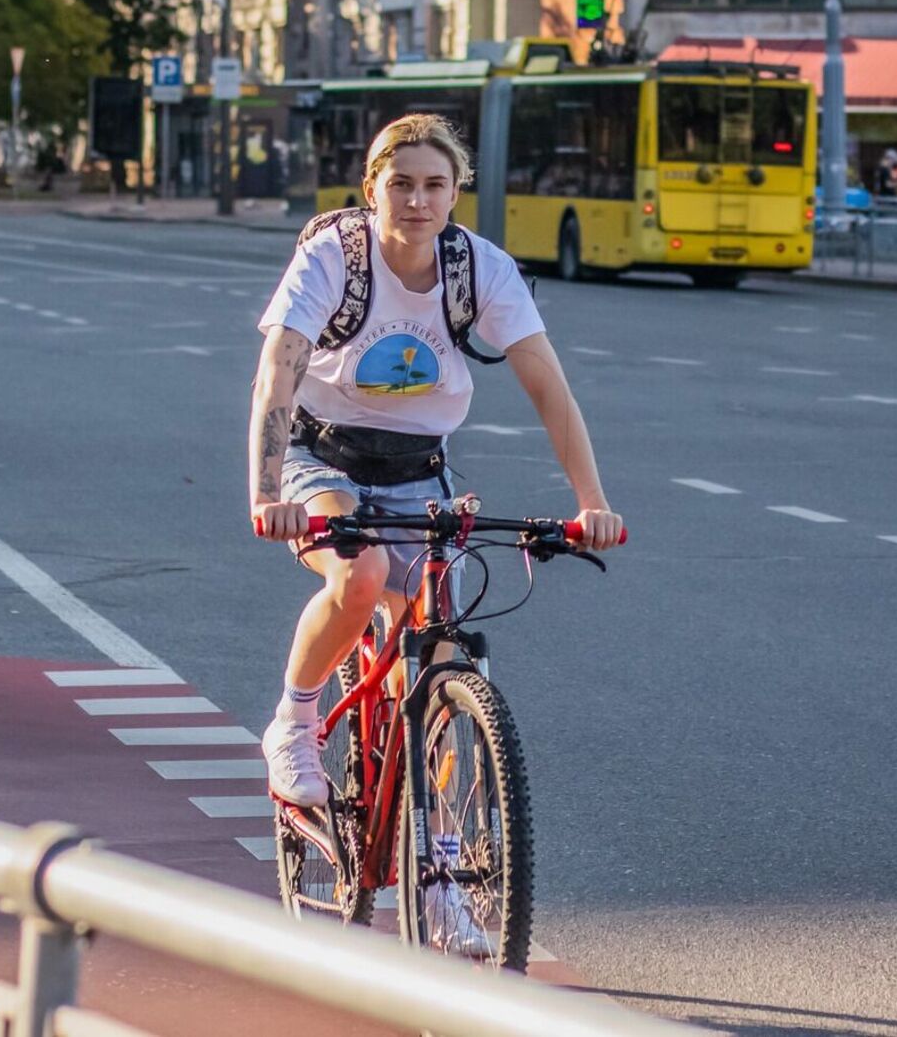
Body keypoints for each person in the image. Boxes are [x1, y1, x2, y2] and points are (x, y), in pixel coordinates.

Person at [249, 113, 624, 812]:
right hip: (323, 457)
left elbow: (546, 381)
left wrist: (591, 501)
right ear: (372, 188)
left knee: (439, 653)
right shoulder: (335, 257)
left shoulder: (480, 267)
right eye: (400, 184)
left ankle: (440, 855)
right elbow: (278, 372)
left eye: (433, 185)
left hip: (419, 468)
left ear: (456, 194)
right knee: (361, 575)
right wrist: (268, 492)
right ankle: (294, 722)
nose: (416, 201)